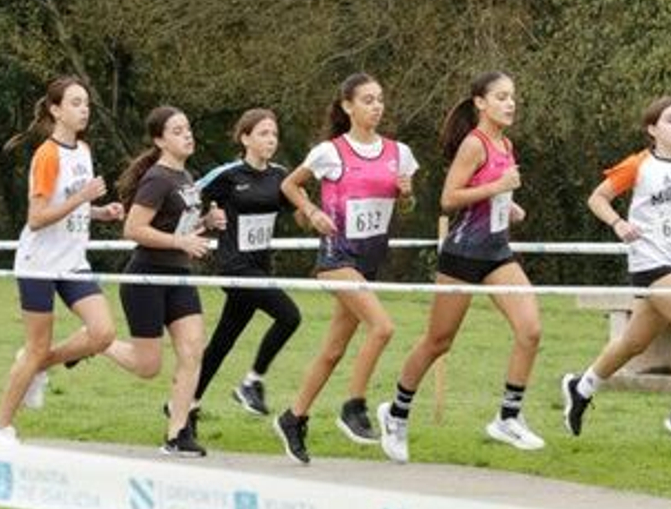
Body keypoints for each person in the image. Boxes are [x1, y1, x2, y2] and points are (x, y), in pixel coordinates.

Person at [378, 70, 543, 461]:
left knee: (531, 329)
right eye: (501, 97)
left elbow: (493, 195)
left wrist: (509, 205)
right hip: (463, 255)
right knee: (439, 341)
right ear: (480, 103)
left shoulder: (506, 144)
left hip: (497, 252)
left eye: (513, 96)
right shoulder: (475, 144)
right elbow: (449, 199)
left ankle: (508, 416)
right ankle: (396, 413)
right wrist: (496, 189)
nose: (510, 103)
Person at [559, 97, 671, 449]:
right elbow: (597, 198)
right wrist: (618, 223)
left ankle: (582, 386)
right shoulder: (639, 164)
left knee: (634, 343)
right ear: (653, 130)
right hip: (650, 260)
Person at [273, 72, 416, 465]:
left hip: (368, 261)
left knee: (333, 350)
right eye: (367, 100)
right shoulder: (330, 152)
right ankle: (353, 407)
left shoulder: (398, 153)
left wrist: (406, 195)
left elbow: (407, 207)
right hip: (336, 259)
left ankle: (293, 417)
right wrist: (313, 211)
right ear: (347, 106)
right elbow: (289, 185)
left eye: (380, 99)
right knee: (383, 327)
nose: (376, 106)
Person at [0, 74, 124, 445]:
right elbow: (37, 217)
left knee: (103, 333)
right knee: (36, 346)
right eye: (75, 103)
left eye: (86, 104)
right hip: (39, 264)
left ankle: (40, 366)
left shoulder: (85, 151)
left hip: (72, 261)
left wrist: (99, 212)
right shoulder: (46, 155)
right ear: (55, 110)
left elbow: (74, 205)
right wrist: (83, 200)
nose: (83, 110)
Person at [105, 104, 217, 457]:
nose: (187, 135)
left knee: (192, 350)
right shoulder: (157, 178)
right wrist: (181, 242)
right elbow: (133, 229)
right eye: (177, 131)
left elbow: (179, 227)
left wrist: (207, 223)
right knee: (147, 366)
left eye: (188, 128)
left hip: (180, 275)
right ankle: (97, 342)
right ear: (160, 140)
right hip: (147, 277)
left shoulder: (187, 178)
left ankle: (178, 433)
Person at [193, 108, 302, 416]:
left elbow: (299, 210)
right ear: (245, 138)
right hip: (234, 267)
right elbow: (184, 197)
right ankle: (251, 383)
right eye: (264, 134)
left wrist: (312, 214)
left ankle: (186, 402)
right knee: (290, 316)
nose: (271, 140)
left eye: (274, 134)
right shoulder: (228, 175)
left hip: (259, 267)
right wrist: (205, 220)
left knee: (222, 341)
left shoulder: (280, 176)